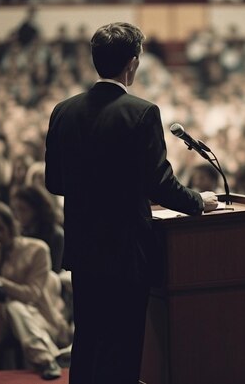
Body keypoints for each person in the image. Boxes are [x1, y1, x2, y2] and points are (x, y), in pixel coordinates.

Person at [44, 22, 218, 384]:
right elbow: (160, 184)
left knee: (88, 340)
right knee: (122, 348)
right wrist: (198, 202)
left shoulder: (63, 110)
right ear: (133, 63)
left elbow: (54, 182)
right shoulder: (141, 112)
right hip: (125, 251)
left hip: (83, 248)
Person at [0, 202, 71, 380]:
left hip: (35, 313)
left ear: (11, 225)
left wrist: (1, 283)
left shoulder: (37, 249)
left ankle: (46, 359)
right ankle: (44, 360)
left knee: (13, 307)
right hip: (0, 315)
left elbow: (32, 295)